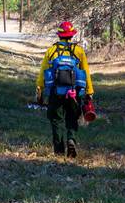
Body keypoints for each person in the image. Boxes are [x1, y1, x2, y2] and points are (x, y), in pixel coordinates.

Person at [36, 21, 94, 158]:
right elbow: (85, 72)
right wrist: (89, 92)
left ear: (60, 35)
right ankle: (71, 139)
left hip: (55, 93)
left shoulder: (51, 50)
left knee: (56, 120)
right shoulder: (79, 51)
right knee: (72, 118)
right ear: (72, 35)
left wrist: (39, 89)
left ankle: (59, 151)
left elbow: (43, 72)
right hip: (75, 93)